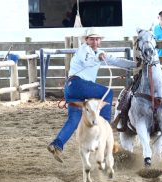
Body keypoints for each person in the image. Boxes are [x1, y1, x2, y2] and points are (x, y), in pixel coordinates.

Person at [47, 27, 138, 163]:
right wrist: (98, 57)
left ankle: (57, 144)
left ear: (100, 40)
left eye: (97, 39)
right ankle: (106, 126)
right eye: (92, 39)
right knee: (108, 92)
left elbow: (117, 61)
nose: (95, 41)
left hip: (72, 89)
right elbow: (86, 61)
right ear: (86, 40)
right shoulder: (84, 50)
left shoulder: (99, 53)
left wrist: (137, 64)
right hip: (78, 84)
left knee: (74, 120)